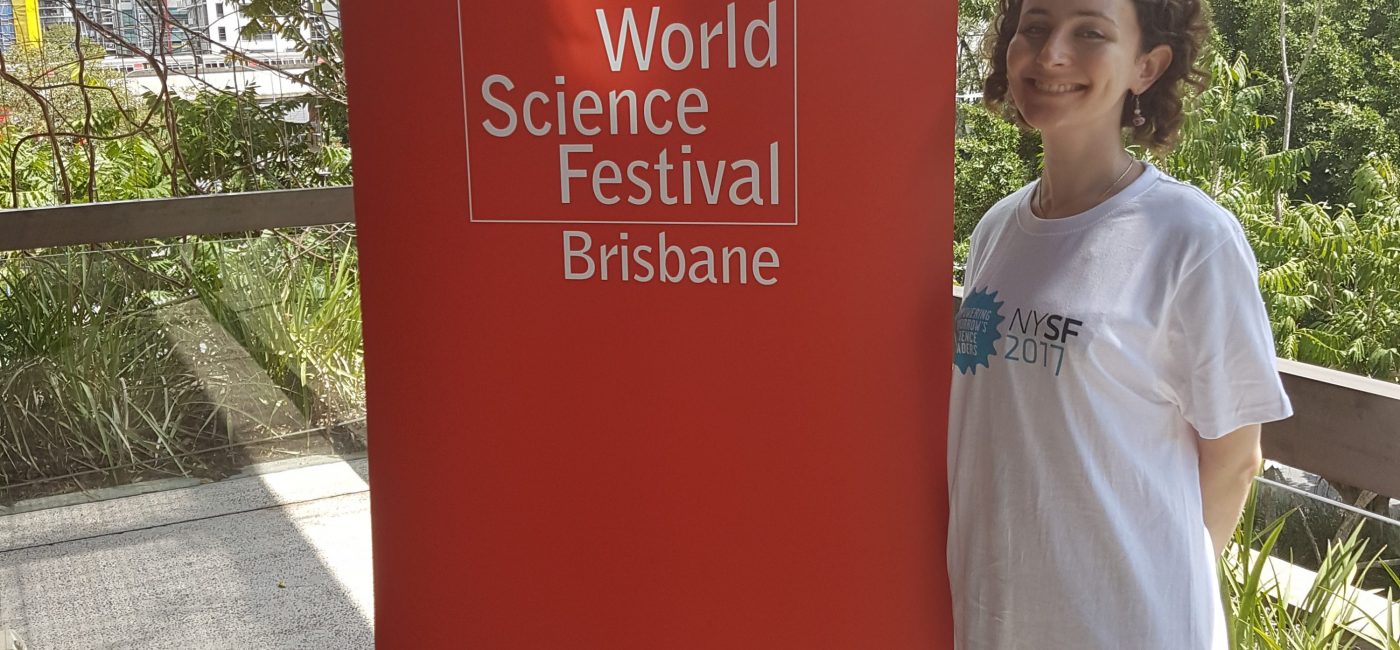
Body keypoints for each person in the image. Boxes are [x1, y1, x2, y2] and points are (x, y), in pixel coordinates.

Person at [947, 0, 1294, 647]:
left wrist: (1156, 598)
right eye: (1037, 26)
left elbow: (1236, 460)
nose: (1052, 53)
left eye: (1090, 32)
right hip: (998, 623)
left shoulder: (1191, 239)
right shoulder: (997, 229)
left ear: (1146, 65)